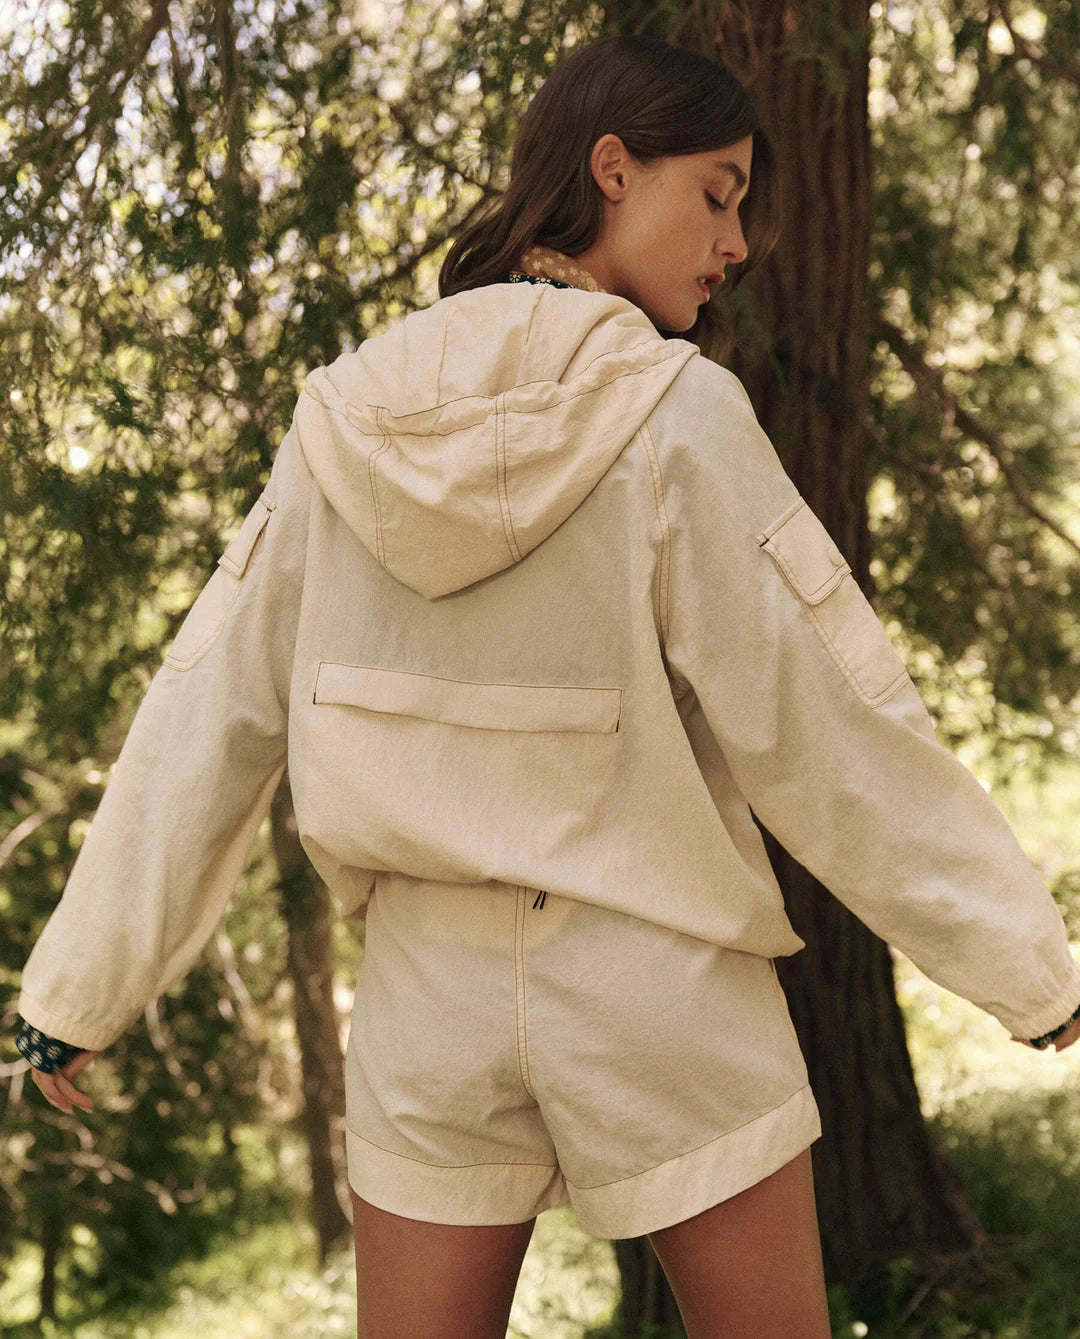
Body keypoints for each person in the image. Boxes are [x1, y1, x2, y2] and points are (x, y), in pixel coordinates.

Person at [14, 32, 1080, 1339]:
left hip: (426, 1010)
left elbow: (211, 702)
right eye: (720, 192)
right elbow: (828, 722)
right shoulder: (678, 417)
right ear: (614, 171)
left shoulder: (343, 419)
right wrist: (1036, 973)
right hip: (663, 988)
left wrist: (76, 992)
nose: (738, 243)